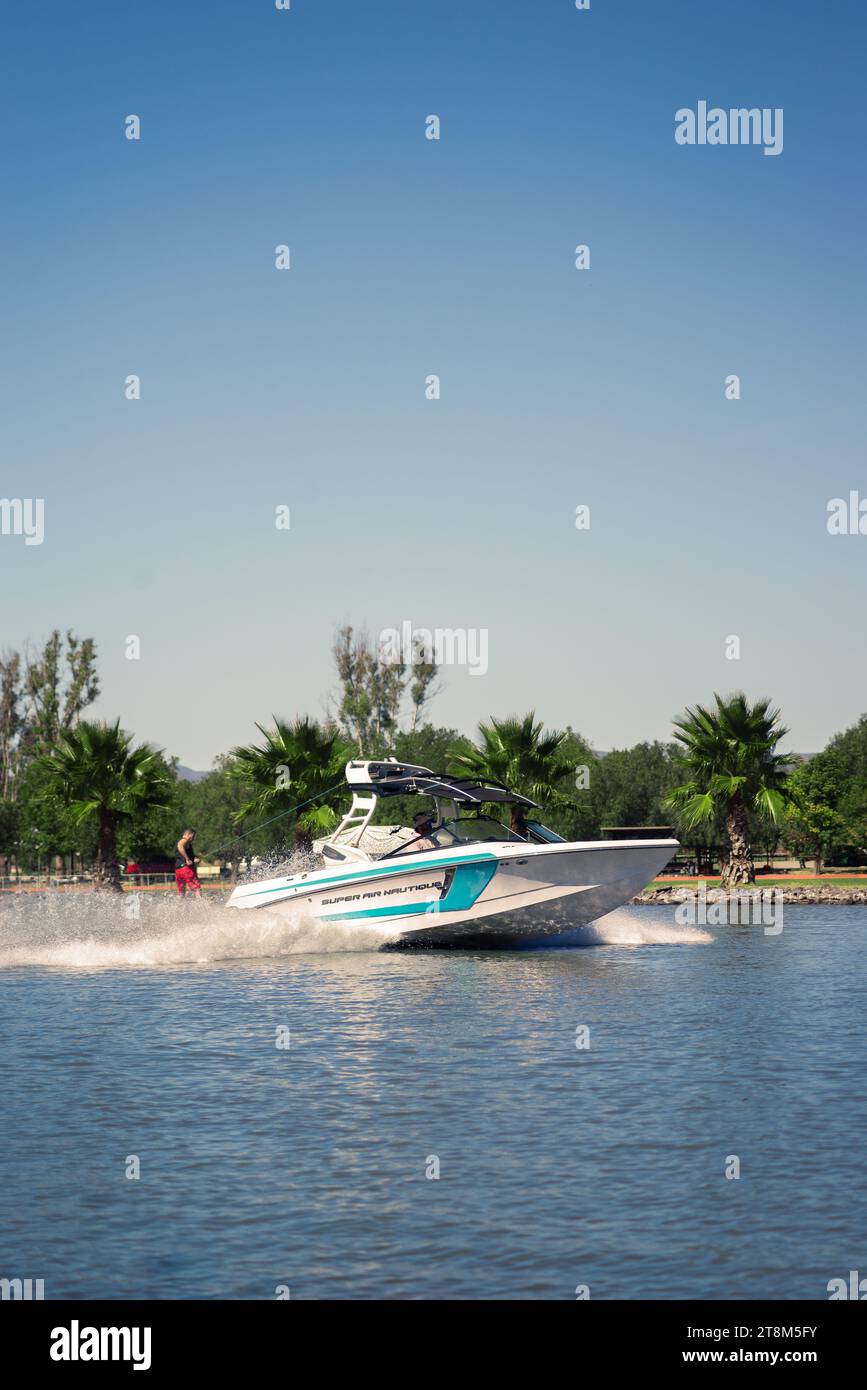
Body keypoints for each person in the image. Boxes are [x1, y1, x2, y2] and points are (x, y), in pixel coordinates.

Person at [175, 828, 202, 897]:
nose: (193, 838)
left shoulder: (187, 843)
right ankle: (201, 905)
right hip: (186, 869)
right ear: (190, 834)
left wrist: (194, 858)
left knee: (181, 891)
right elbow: (180, 846)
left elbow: (188, 855)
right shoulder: (184, 840)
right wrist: (187, 859)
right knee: (196, 887)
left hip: (178, 869)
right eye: (193, 836)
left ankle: (178, 906)